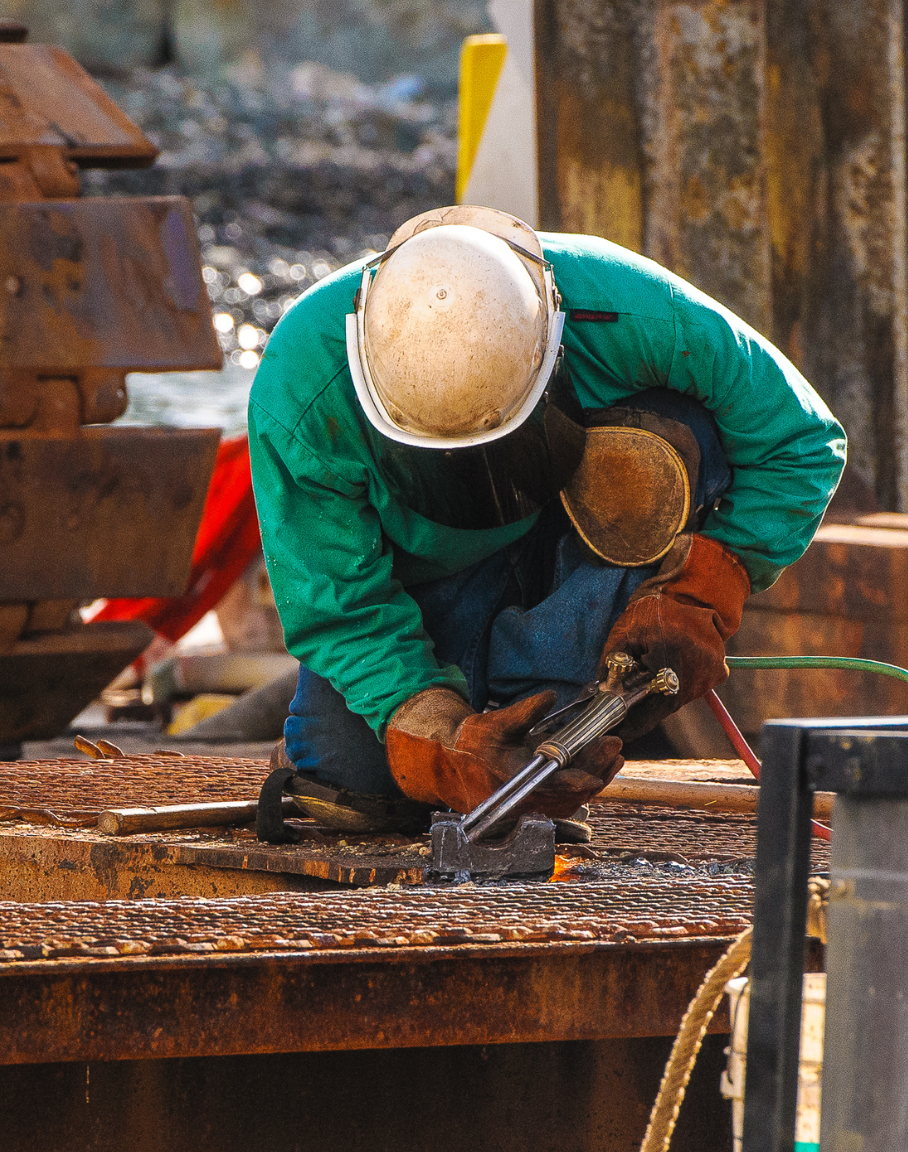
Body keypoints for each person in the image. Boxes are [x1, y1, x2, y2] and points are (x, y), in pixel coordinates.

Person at [246, 206, 845, 841]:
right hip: (422, 580)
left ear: (551, 349)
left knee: (680, 430)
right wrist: (441, 737)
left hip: (583, 537)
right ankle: (476, 722)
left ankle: (551, 701)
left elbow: (799, 440)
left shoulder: (626, 307)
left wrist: (702, 589)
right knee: (357, 782)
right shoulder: (303, 389)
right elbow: (340, 608)